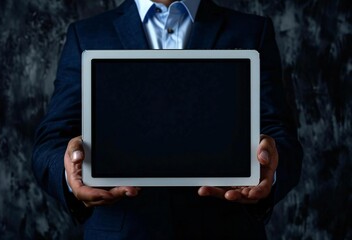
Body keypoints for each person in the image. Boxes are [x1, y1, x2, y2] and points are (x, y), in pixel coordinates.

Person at [32, 0, 303, 239]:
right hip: (124, 232)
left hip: (227, 230)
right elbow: (51, 142)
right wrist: (70, 174)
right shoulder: (87, 35)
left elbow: (280, 135)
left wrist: (272, 169)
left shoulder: (250, 31)